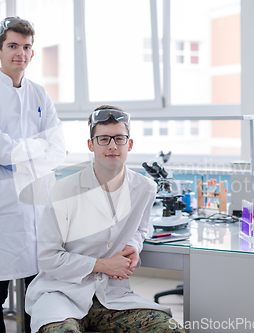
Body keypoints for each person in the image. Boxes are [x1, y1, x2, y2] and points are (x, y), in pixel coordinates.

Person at [25, 106, 184, 333]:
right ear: (91, 145)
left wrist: (134, 246)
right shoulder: (65, 190)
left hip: (112, 296)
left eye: (119, 138)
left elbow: (140, 229)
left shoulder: (145, 188)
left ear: (129, 144)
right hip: (62, 294)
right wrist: (104, 265)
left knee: (170, 329)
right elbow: (48, 258)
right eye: (103, 139)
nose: (112, 145)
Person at [0, 16, 66, 333]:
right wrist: (38, 146)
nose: (20, 53)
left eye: (26, 47)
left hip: (38, 206)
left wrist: (27, 150)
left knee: (36, 292)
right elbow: (0, 151)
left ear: (32, 53)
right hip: (3, 207)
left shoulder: (40, 95)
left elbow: (59, 149)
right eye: (12, 46)